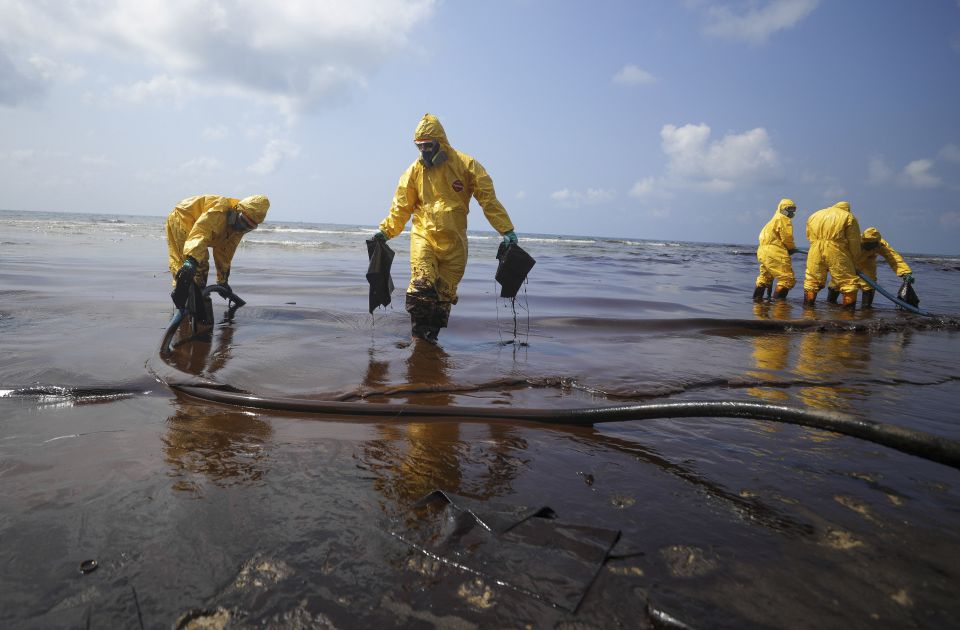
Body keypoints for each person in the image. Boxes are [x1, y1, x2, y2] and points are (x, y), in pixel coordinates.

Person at [373, 113, 518, 342]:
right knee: (422, 285)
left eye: (428, 146)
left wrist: (506, 230)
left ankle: (431, 340)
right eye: (419, 147)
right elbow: (401, 206)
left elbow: (488, 199)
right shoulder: (414, 172)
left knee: (444, 295)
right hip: (424, 235)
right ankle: (417, 337)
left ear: (440, 141)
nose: (424, 151)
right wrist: (386, 231)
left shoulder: (466, 165)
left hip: (455, 242)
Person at [166, 194, 270, 308]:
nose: (242, 227)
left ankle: (197, 299)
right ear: (236, 211)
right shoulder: (219, 211)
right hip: (183, 219)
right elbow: (200, 234)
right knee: (193, 265)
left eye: (249, 227)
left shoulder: (238, 229)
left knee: (199, 272)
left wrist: (222, 280)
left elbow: (225, 252)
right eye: (243, 221)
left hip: (197, 229)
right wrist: (191, 260)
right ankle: (183, 303)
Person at [826, 227, 913, 307]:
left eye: (872, 244)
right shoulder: (854, 240)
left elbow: (893, 258)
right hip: (849, 261)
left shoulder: (881, 245)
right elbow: (836, 253)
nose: (869, 246)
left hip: (867, 261)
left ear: (877, 242)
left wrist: (905, 272)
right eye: (866, 244)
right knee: (837, 282)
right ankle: (830, 304)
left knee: (869, 284)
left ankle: (866, 308)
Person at [802, 201, 862, 308]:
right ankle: (847, 317)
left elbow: (809, 236)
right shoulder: (848, 217)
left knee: (812, 281)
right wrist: (854, 260)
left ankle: (807, 312)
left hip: (815, 250)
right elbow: (854, 242)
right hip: (836, 250)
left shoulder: (815, 215)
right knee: (848, 283)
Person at [753, 198, 799, 301]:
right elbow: (787, 237)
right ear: (782, 208)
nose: (791, 212)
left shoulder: (772, 221)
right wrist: (791, 248)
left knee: (764, 278)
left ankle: (757, 303)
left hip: (762, 251)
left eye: (793, 209)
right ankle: (779, 308)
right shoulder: (783, 219)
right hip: (774, 251)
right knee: (786, 279)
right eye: (789, 209)